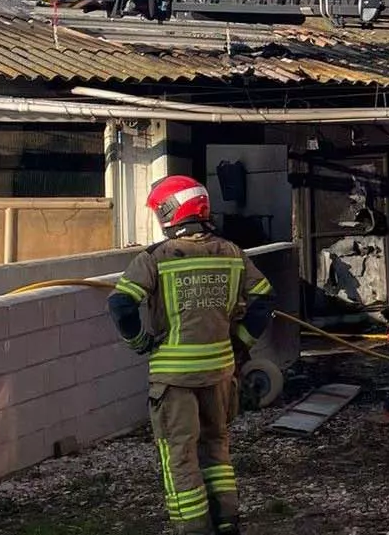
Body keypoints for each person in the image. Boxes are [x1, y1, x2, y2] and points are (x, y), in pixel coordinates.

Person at [108, 176, 275, 535]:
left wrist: (139, 343)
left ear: (169, 212)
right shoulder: (232, 253)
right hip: (219, 372)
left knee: (179, 455)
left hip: (173, 380)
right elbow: (263, 300)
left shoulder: (156, 258)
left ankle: (193, 527)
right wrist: (240, 344)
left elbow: (121, 304)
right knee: (216, 446)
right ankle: (228, 521)